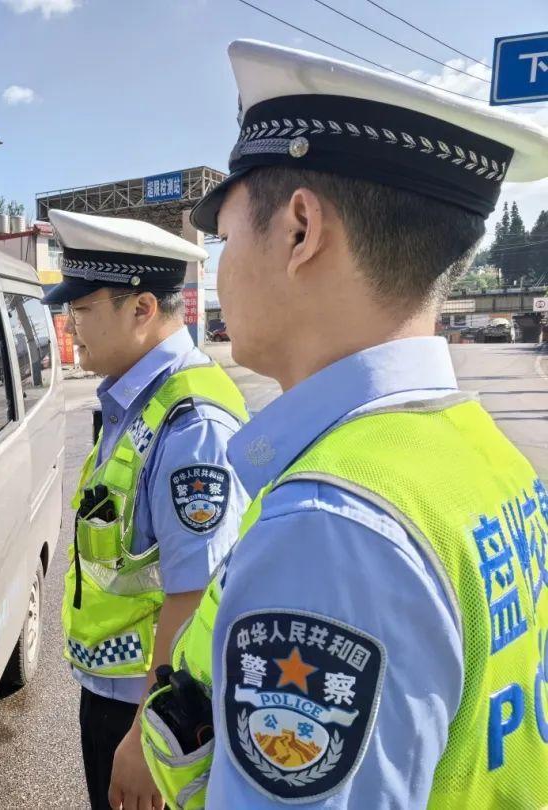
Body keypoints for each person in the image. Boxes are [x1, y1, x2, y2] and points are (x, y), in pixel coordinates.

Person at [142, 40, 548, 809]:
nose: (220, 269)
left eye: (225, 237)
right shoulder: (483, 452)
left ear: (300, 229)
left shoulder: (332, 531)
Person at [41, 209, 250, 810]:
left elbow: (197, 594)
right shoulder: (137, 398)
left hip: (150, 707)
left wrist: (148, 736)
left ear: (141, 308)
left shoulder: (191, 424)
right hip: (116, 693)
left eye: (82, 308)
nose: (70, 324)